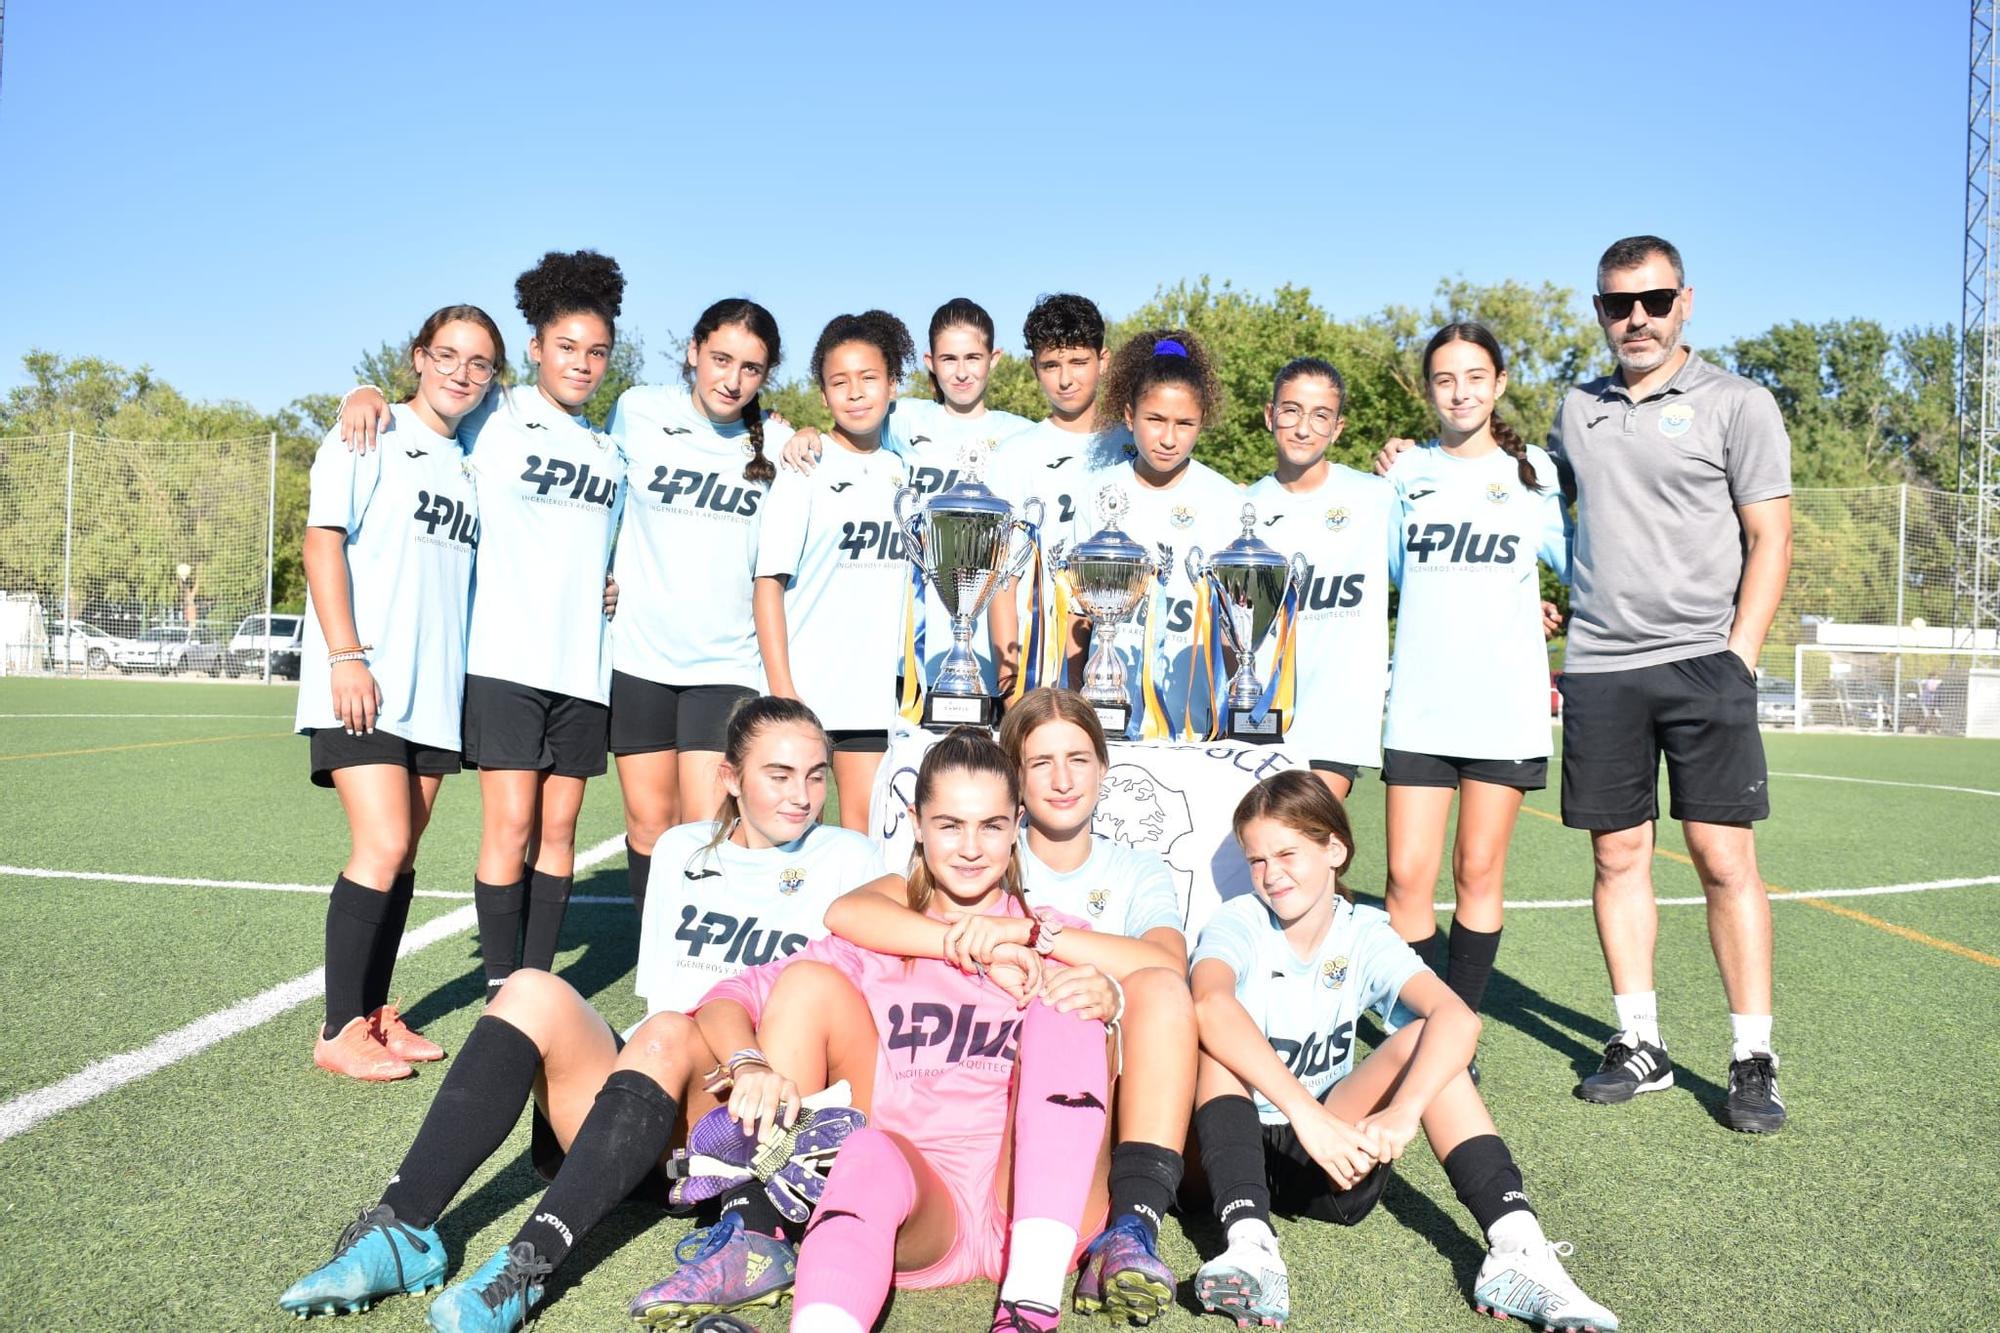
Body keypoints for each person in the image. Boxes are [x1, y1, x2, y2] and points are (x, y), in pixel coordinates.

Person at [277, 697, 879, 1331]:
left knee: (674, 1031)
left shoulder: (851, 859)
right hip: (642, 1115)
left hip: (746, 1131)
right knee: (530, 987)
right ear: (730, 777)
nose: (803, 795)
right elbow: (665, 1001)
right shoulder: (681, 851)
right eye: (778, 775)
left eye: (816, 775)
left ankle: (527, 1267)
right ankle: (402, 1231)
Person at [1380, 237, 1795, 1132]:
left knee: (1725, 860)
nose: (1635, 318)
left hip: (1702, 662)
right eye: (1617, 304)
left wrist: (1740, 653)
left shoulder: (1738, 401)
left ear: (1685, 300)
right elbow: (1520, 518)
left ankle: (1752, 1055)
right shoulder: (1577, 412)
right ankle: (1637, 1040)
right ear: (1600, 311)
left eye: (1651, 300)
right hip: (1602, 668)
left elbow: (1771, 537)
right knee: (1616, 857)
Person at [631, 730, 1115, 1332]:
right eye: (948, 825)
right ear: (915, 823)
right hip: (913, 1204)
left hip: (1034, 1197)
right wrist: (751, 1062)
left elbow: (1165, 985)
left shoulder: (1048, 935)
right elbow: (726, 996)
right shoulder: (876, 938)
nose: (970, 848)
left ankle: (1030, 1304)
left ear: (1018, 823)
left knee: (1071, 1003)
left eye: (991, 826)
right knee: (864, 1147)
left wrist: (1110, 994)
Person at [1189, 771, 1619, 1332]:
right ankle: (1250, 1245)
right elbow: (1208, 1004)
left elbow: (1458, 1019)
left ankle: (1516, 1247)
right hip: (1222, 1153)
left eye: (1287, 853)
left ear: (1334, 849)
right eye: (1257, 860)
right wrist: (1304, 1112)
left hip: (1328, 1158)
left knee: (1429, 1037)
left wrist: (1404, 1109)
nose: (1271, 875)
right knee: (1218, 1040)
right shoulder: (1239, 921)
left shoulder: (1365, 933)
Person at [822, 687, 1195, 1322]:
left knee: (1080, 1003)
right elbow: (848, 913)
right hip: (940, 1169)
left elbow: (1165, 970)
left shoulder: (1112, 880)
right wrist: (955, 941)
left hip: (1059, 1131)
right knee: (869, 1147)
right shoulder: (943, 873)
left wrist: (1047, 949)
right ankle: (764, 1223)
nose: (1062, 779)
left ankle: (1114, 1239)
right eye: (1041, 762)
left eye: (1077, 758)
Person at [339, 249, 630, 998]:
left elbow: (616, 549)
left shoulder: (610, 447)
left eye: (597, 352)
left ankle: (536, 983)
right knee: (509, 827)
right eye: (565, 346)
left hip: (583, 669)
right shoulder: (494, 415)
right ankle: (504, 984)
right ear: (534, 349)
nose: (581, 363)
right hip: (504, 662)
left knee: (559, 833)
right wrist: (365, 389)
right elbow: (430, 398)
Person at [297, 303, 503, 1080]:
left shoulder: (472, 457)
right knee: (380, 844)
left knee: (403, 853)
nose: (461, 372)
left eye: (479, 363)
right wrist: (345, 654)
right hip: (366, 681)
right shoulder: (367, 432)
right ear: (417, 357)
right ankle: (337, 1027)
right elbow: (323, 539)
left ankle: (374, 1013)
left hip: (433, 689)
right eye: (447, 355)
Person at [1378, 325, 1571, 1043]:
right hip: (1421, 705)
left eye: (1474, 376)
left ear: (1500, 381)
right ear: (1428, 388)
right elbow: (1391, 576)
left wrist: (1549, 608)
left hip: (1505, 706)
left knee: (1478, 870)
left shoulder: (1535, 475)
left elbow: (1580, 562)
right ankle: (1420, 1029)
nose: (1460, 392)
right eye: (1444, 379)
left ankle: (1454, 1037)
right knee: (1405, 877)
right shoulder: (1402, 474)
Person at [605, 299, 794, 917]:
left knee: (704, 827)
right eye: (720, 359)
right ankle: (658, 966)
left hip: (724, 668)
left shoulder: (781, 443)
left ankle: (703, 975)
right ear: (693, 351)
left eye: (751, 368)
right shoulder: (638, 411)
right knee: (647, 825)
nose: (732, 379)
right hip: (639, 657)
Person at [780, 299, 1034, 700]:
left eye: (973, 357)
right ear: (930, 362)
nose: (962, 371)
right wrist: (804, 430)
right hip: (912, 646)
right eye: (949, 359)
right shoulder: (902, 419)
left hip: (992, 643)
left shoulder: (1023, 437)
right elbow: (849, 425)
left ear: (995, 358)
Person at [754, 311, 916, 829]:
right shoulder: (803, 465)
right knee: (786, 840)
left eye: (869, 378)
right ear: (823, 395)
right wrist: (784, 691)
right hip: (806, 693)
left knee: (862, 843)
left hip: (874, 699)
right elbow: (767, 585)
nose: (856, 393)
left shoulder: (905, 473)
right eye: (839, 382)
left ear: (893, 384)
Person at [1243, 357, 1396, 801]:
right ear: (1270, 415)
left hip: (1336, 722)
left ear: (1338, 428)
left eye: (1320, 416)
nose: (1303, 428)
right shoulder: (1240, 509)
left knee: (1308, 841)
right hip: (1258, 716)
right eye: (1290, 410)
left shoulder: (1376, 496)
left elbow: (1426, 569)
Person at [1089, 329, 1243, 741]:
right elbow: (1074, 617)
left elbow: (1236, 625)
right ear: (1128, 416)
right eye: (1155, 420)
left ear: (1201, 423)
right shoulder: (1098, 494)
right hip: (1105, 718)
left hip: (1196, 724)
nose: (1169, 438)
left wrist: (1237, 711)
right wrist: (1072, 709)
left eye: (1185, 423)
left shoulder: (1225, 500)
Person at [986, 294, 1133, 695]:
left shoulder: (1136, 446)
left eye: (1078, 362)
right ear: (1035, 368)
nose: (1065, 379)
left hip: (1126, 666)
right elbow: (1002, 577)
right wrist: (1009, 685)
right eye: (1051, 365)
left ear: (1103, 360)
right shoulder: (1013, 456)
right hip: (1039, 670)